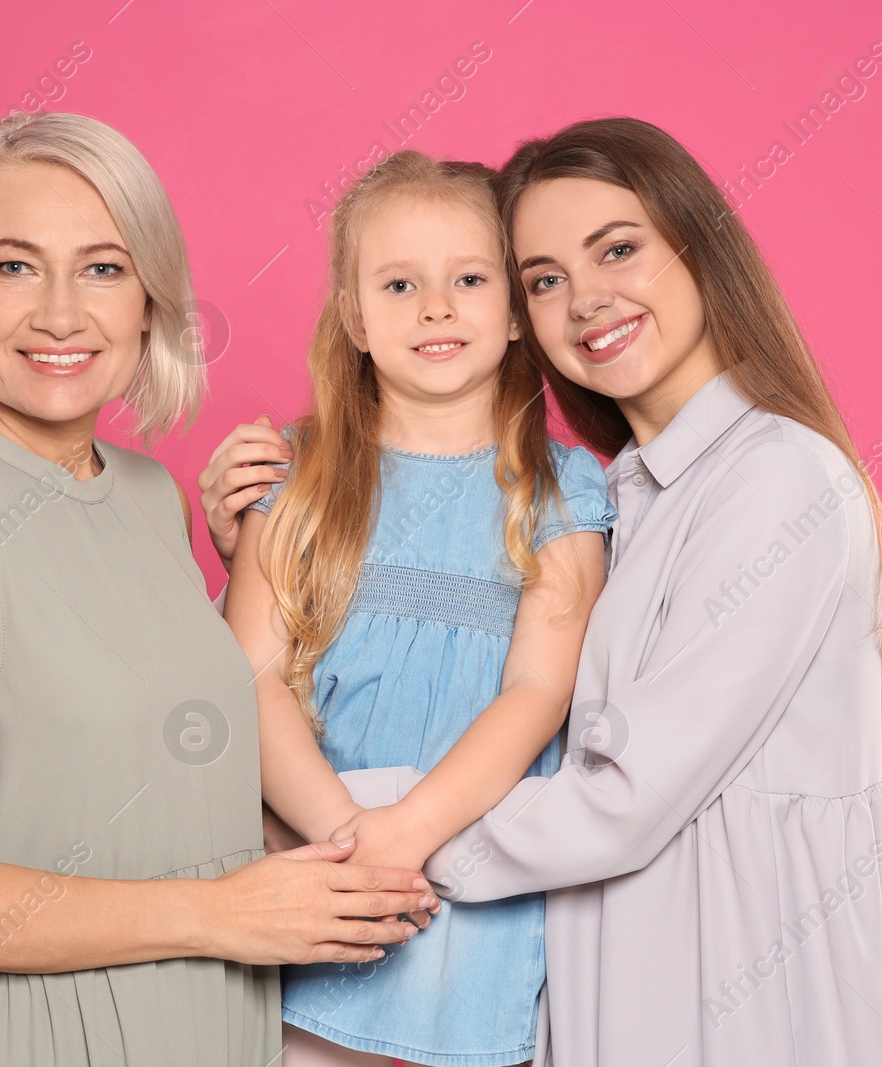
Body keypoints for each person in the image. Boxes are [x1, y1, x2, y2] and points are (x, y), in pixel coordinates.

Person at [201, 117, 882, 1067]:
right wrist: (265, 552)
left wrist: (369, 845)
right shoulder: (635, 487)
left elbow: (615, 786)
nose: (587, 299)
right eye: (546, 277)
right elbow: (270, 666)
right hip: (586, 968)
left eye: (619, 249)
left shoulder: (766, 483)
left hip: (727, 966)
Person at [0, 111, 437, 1067]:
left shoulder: (147, 494)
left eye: (105, 267)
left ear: (150, 295)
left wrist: (248, 570)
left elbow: (142, 748)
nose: (63, 314)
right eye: (15, 265)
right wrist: (224, 914)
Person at [221, 150, 614, 1066]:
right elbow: (251, 672)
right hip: (317, 879)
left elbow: (536, 692)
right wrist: (345, 839)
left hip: (468, 896)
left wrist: (406, 834)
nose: (436, 306)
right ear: (355, 319)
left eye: (469, 279)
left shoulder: (561, 491)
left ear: (516, 312)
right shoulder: (299, 474)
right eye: (400, 284)